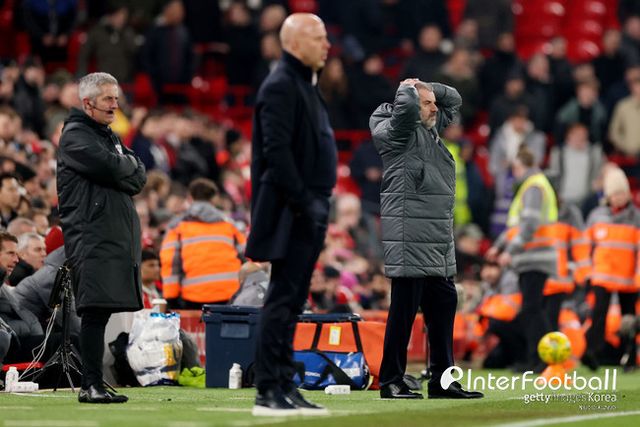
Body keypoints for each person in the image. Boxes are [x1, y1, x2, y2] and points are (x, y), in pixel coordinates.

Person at [369, 78, 483, 399]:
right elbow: (406, 109)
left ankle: (442, 381)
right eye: (428, 103)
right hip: (410, 238)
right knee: (403, 313)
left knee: (444, 305)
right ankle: (391, 380)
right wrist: (408, 90)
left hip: (435, 240)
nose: (435, 109)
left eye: (434, 103)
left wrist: (424, 86)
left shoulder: (427, 129)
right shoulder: (396, 131)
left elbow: (454, 99)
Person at [245, 13, 335, 416]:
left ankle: (283, 383)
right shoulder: (282, 84)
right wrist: (303, 202)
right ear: (295, 43)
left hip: (306, 208)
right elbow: (277, 153)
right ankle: (268, 389)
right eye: (318, 38)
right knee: (282, 299)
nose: (326, 45)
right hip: (290, 210)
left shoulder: (303, 83)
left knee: (294, 300)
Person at [57, 72, 146, 404]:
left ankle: (94, 383)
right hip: (90, 235)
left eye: (116, 98)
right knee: (94, 310)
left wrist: (124, 166)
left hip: (108, 234)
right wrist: (125, 166)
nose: (114, 105)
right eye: (108, 99)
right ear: (87, 103)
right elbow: (113, 168)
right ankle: (90, 385)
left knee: (101, 310)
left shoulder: (108, 136)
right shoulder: (75, 137)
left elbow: (139, 176)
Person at [487, 146, 558, 372]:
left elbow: (529, 225)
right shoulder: (534, 185)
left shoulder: (533, 187)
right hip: (534, 257)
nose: (514, 173)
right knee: (532, 310)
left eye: (515, 168)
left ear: (522, 166)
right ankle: (541, 358)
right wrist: (499, 246)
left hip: (535, 257)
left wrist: (510, 251)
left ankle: (541, 359)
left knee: (531, 310)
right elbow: (517, 227)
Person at [160, 178, 246, 309]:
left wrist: (171, 297)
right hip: (230, 294)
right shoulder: (230, 225)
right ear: (214, 198)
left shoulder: (177, 226)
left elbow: (170, 262)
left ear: (190, 197)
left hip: (194, 296)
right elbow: (246, 256)